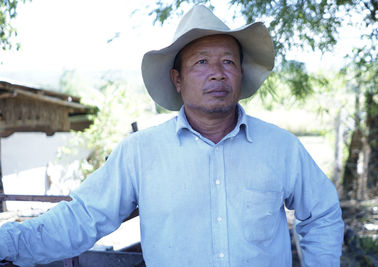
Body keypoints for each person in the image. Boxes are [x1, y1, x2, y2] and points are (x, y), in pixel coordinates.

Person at [0, 5, 344, 267]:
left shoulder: (281, 148)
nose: (218, 74)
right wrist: (8, 242)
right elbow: (82, 219)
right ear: (177, 80)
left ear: (240, 75)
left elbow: (322, 214)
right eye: (202, 63)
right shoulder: (140, 152)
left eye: (228, 62)